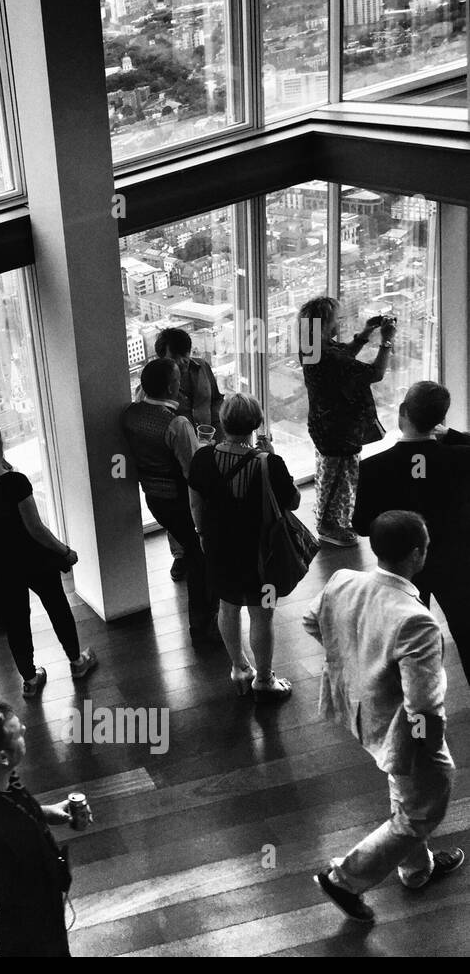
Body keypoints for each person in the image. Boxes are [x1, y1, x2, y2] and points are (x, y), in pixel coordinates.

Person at [306, 511, 463, 922]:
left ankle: (416, 870)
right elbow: (424, 706)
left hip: (359, 713)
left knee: (404, 792)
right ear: (417, 554)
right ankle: (343, 879)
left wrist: (354, 661)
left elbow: (311, 621)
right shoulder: (416, 621)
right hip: (399, 730)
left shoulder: (343, 581)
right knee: (422, 810)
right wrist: (429, 755)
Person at [0, 422, 97, 696]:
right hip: (31, 556)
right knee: (57, 606)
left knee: (16, 620)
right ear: (0, 445)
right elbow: (36, 529)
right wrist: (64, 551)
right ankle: (77, 662)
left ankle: (30, 680)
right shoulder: (15, 482)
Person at [352, 382, 470, 676]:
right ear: (440, 420)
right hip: (454, 561)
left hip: (400, 566)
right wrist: (452, 435)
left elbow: (362, 526)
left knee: (407, 637)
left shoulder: (373, 467)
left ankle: (417, 696)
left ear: (403, 412)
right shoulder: (461, 458)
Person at [0, 700, 83, 956]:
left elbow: (9, 807)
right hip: (21, 942)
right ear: (2, 756)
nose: (24, 727)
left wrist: (43, 813)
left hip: (39, 913)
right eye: (17, 732)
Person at [186, 394, 298, 703]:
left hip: (220, 548)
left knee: (228, 606)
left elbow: (196, 503)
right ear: (257, 424)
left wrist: (202, 535)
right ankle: (264, 680)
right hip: (262, 554)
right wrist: (273, 456)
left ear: (222, 422)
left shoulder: (202, 458)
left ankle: (239, 669)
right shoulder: (269, 463)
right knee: (262, 615)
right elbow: (294, 503)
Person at [121, 358, 218, 647]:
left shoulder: (131, 414)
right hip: (180, 501)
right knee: (202, 559)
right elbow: (194, 472)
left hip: (154, 499)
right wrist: (208, 451)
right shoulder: (177, 424)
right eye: (177, 379)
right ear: (171, 386)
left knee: (189, 549)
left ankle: (187, 568)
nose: (181, 383)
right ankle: (202, 628)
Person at [297, 295, 394, 547]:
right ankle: (330, 526)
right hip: (340, 429)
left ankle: (326, 517)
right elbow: (375, 373)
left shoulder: (311, 347)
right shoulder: (327, 356)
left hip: (323, 424)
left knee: (328, 475)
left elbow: (342, 355)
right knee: (341, 478)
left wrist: (366, 333)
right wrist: (386, 341)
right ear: (326, 324)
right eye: (335, 319)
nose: (338, 323)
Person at [136, 329, 226, 581]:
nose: (183, 362)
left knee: (206, 499)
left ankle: (207, 547)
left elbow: (216, 399)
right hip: (174, 449)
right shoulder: (153, 379)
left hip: (207, 443)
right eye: (176, 357)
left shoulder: (202, 367)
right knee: (180, 504)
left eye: (185, 355)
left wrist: (220, 431)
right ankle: (181, 555)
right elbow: (146, 411)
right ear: (161, 357)